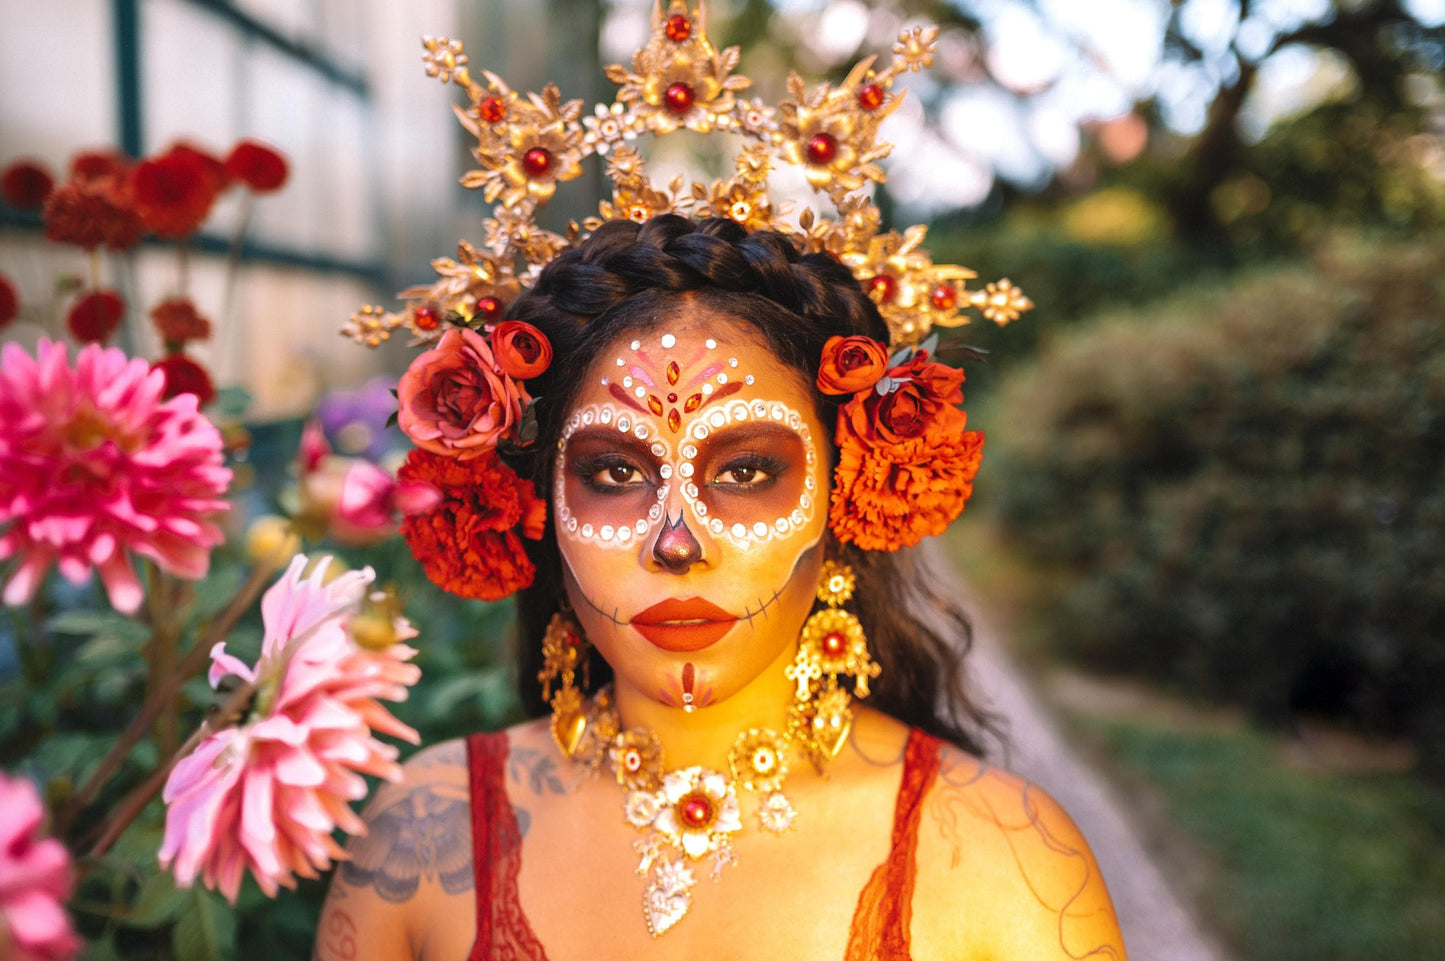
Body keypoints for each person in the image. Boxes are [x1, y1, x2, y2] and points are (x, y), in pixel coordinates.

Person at [320, 5, 1126, 959]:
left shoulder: (1002, 867)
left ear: (846, 484)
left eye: (745, 469)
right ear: (533, 499)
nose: (676, 540)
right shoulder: (421, 835)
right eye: (615, 471)